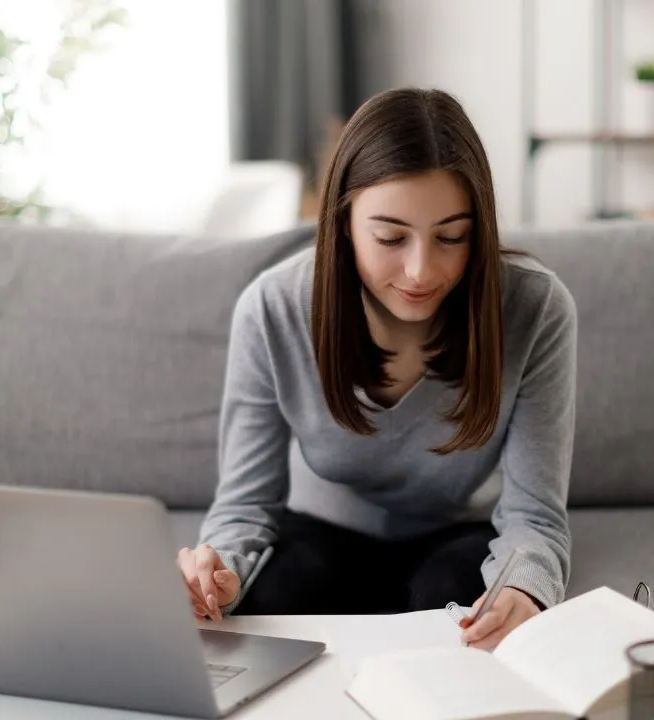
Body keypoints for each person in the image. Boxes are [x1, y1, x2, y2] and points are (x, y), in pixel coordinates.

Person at [177, 87, 576, 651]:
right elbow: (244, 506)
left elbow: (535, 516)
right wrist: (219, 572)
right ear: (342, 222)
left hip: (461, 536)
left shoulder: (536, 308)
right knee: (269, 604)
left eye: (451, 236)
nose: (420, 271)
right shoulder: (273, 309)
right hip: (320, 534)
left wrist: (525, 589)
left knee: (459, 611)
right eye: (390, 237)